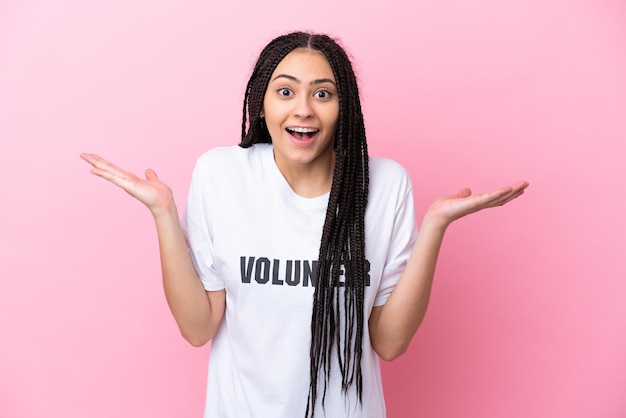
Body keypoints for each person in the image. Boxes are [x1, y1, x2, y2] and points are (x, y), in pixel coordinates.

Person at [80, 32, 528, 418]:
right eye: (286, 91)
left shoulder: (386, 184)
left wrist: (435, 226)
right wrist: (162, 213)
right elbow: (198, 328)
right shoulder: (221, 175)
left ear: (343, 109)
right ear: (261, 104)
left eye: (323, 93)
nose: (304, 110)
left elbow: (389, 344)